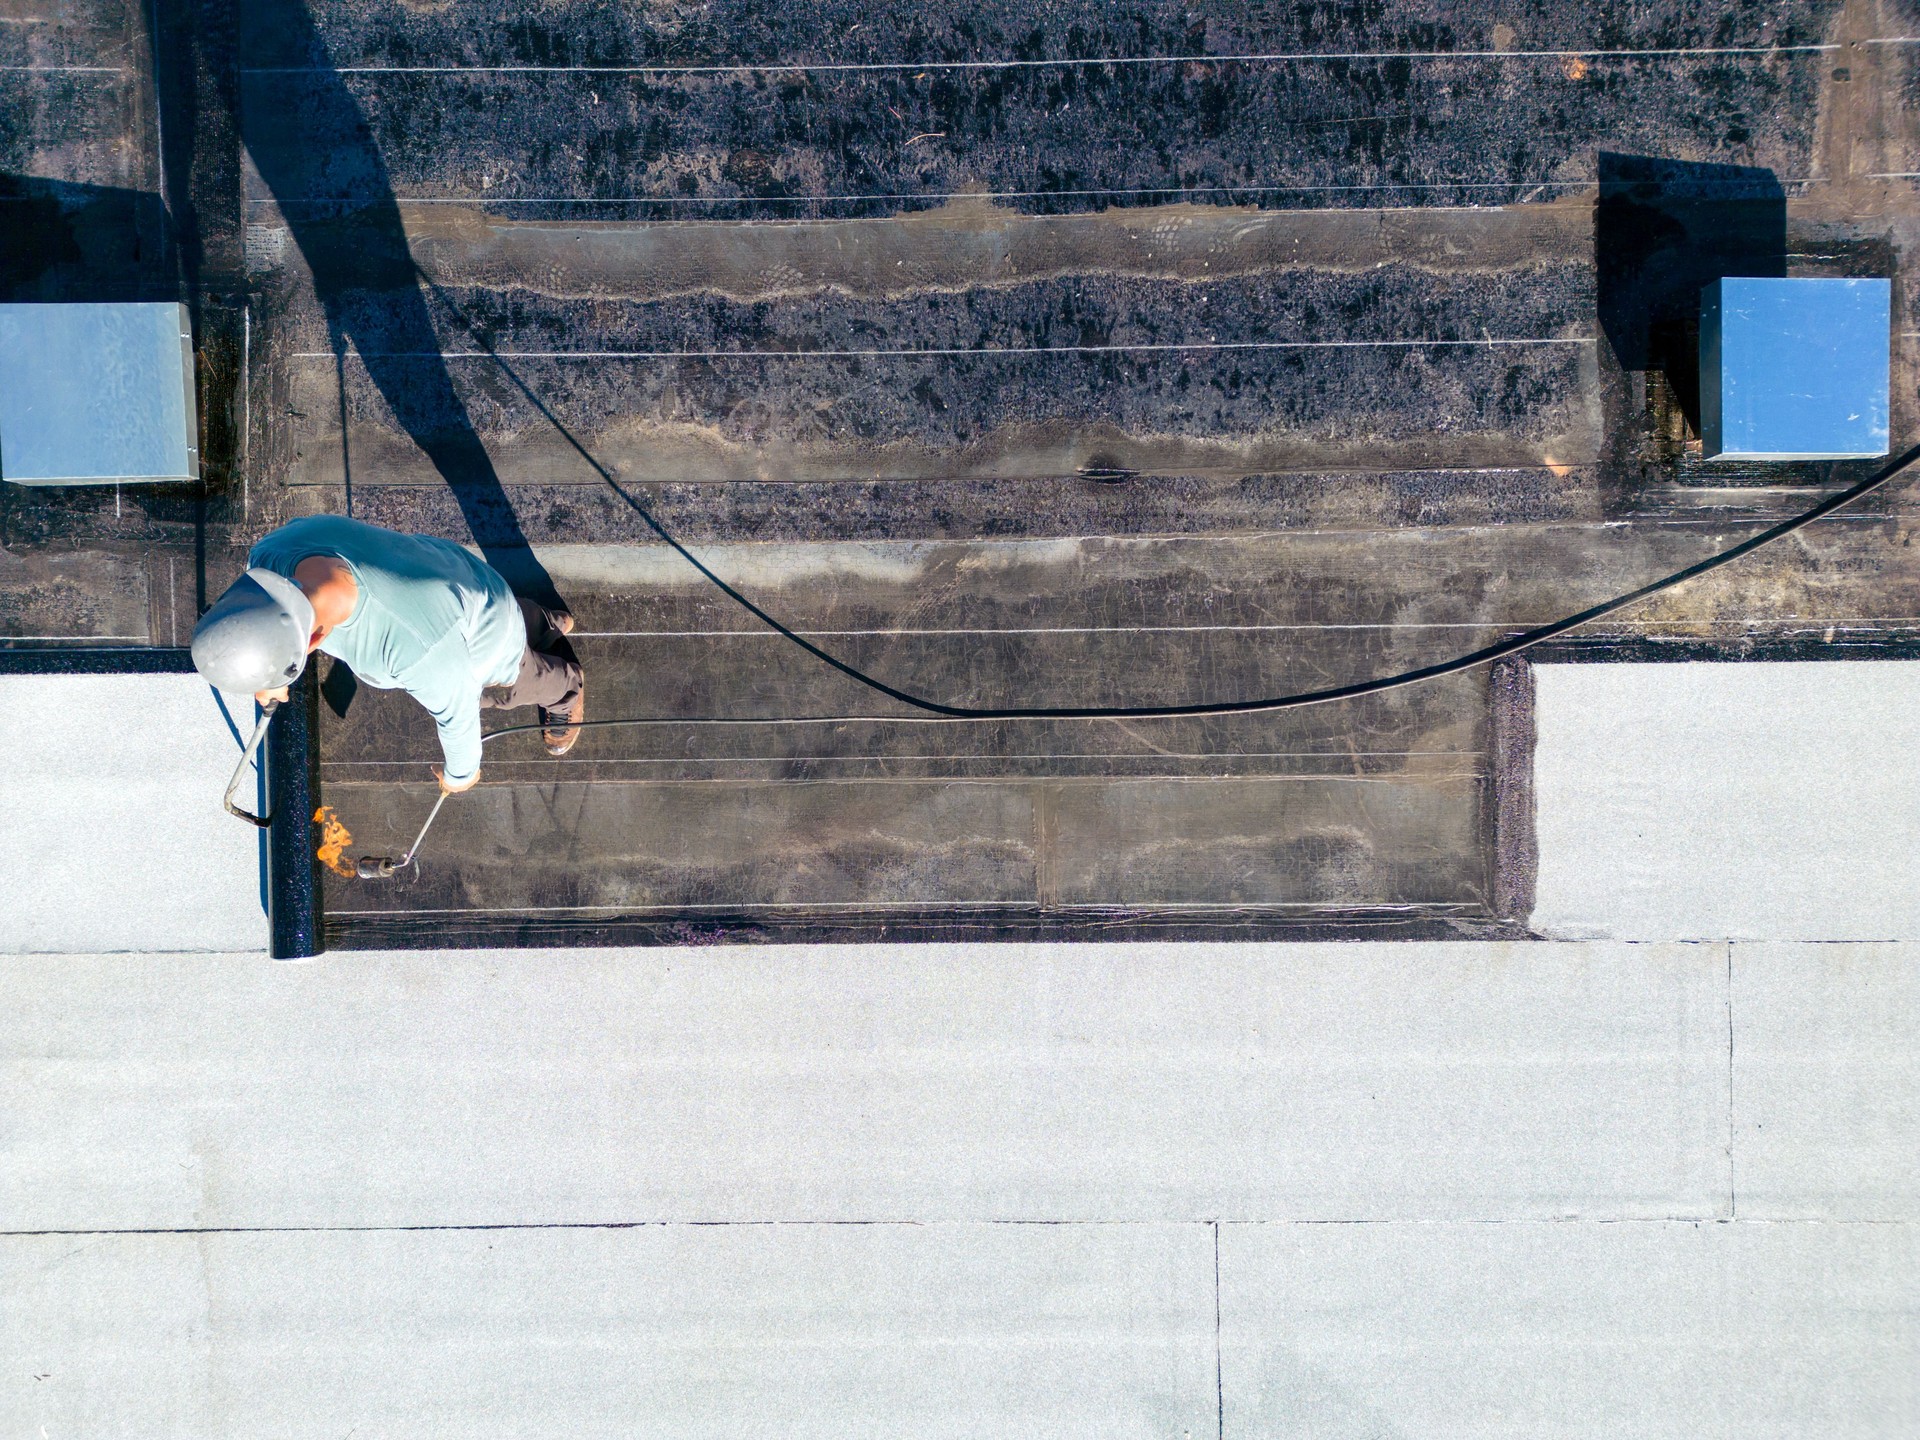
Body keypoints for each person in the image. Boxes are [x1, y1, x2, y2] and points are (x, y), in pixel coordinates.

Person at [190, 515, 584, 793]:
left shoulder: (416, 650)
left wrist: (461, 775)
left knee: (507, 686)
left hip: (489, 647)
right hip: (459, 578)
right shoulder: (270, 554)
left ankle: (567, 687)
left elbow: (458, 715)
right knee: (501, 614)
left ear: (312, 644)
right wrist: (268, 672)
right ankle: (543, 620)